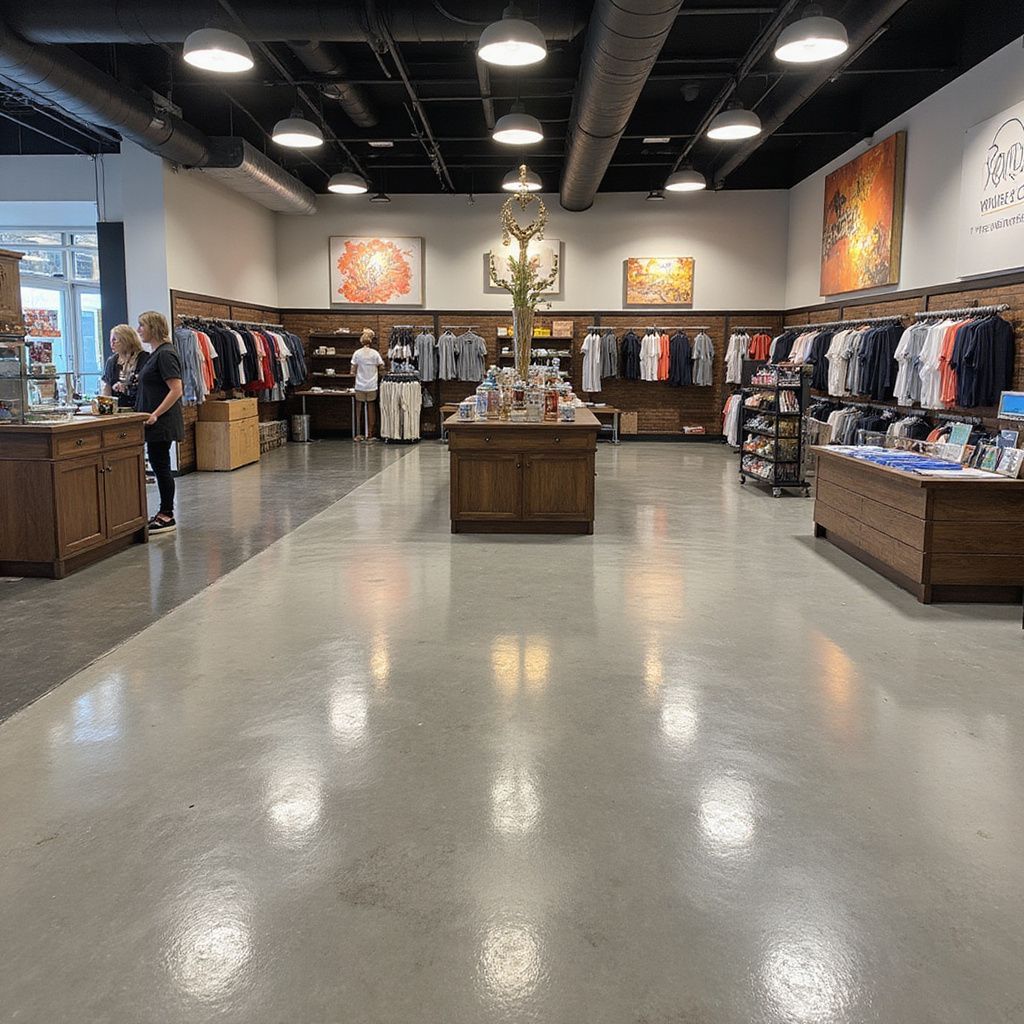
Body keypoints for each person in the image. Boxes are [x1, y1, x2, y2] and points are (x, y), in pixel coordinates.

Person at [135, 310, 184, 535]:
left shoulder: (165, 354)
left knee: (161, 466)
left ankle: (167, 514)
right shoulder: (155, 354)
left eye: (142, 325)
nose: (138, 330)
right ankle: (164, 511)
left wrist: (155, 413)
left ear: (153, 328)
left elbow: (176, 389)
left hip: (162, 421)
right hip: (154, 420)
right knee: (158, 464)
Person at [100, 324, 148, 408]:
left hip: (141, 407)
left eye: (115, 340)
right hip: (118, 408)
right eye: (111, 340)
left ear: (126, 340)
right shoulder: (112, 361)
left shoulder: (145, 359)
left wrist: (127, 388)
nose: (112, 343)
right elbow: (107, 388)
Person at [351, 327, 385, 441]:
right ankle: (370, 434)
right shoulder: (375, 353)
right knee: (371, 408)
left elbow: (353, 370)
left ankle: (358, 433)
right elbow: (381, 366)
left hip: (360, 385)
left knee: (359, 409)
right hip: (372, 385)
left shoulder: (357, 353)